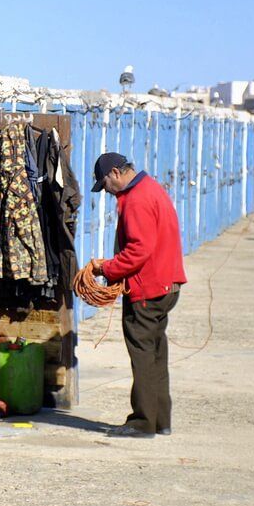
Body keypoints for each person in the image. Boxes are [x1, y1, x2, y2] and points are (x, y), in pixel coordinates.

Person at [89, 152, 187, 438]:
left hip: (148, 288)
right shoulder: (151, 189)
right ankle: (161, 419)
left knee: (143, 354)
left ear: (116, 173)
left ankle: (143, 422)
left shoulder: (137, 200)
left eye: (105, 184)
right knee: (156, 353)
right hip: (166, 284)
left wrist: (106, 268)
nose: (106, 191)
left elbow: (138, 251)